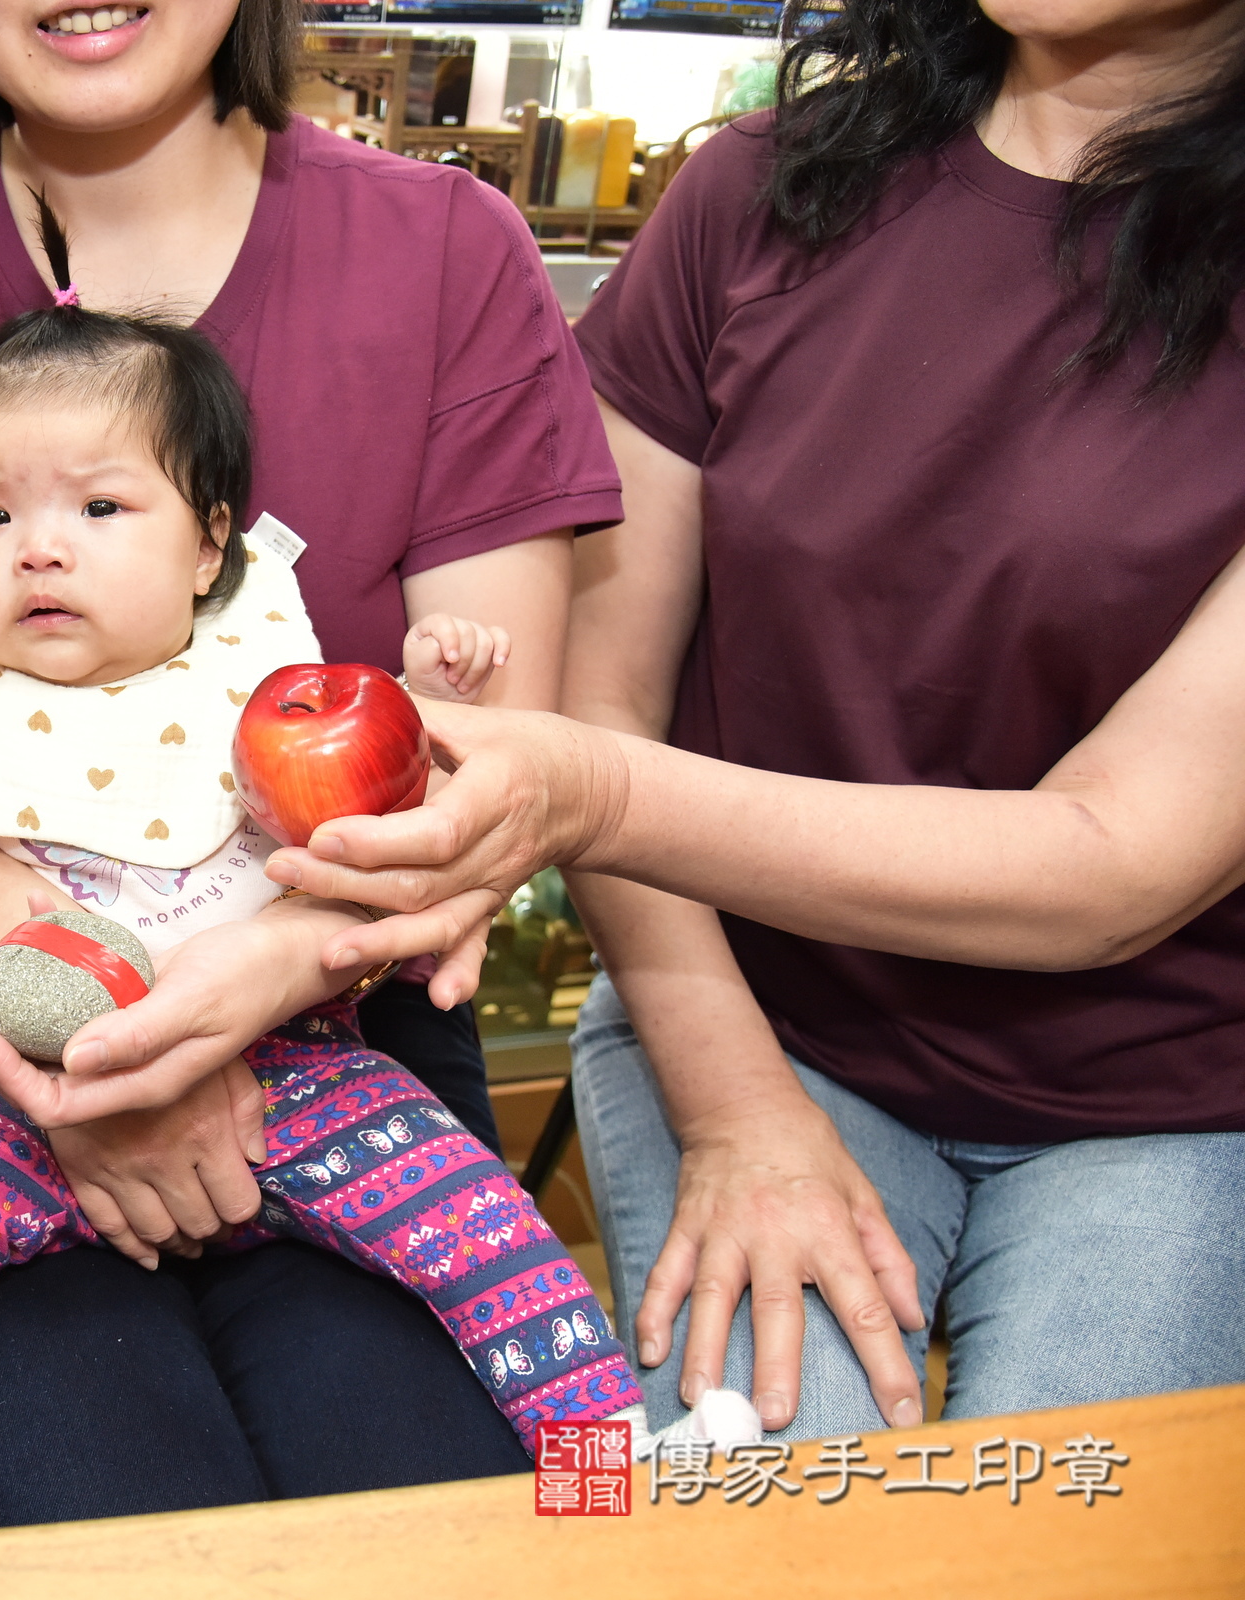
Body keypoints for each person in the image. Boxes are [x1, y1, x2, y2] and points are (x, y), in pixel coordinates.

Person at [253, 0, 1245, 1443]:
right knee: (774, 1522)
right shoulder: (761, 191)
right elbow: (609, 685)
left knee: (1055, 1540)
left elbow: (1121, 858)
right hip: (747, 1018)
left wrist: (593, 794)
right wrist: (732, 1108)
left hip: (1168, 1094)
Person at [0, 0, 619, 1523]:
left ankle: (618, 1449)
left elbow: (470, 787)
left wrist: (229, 999)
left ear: (216, 539)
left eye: (104, 512)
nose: (43, 549)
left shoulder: (448, 246)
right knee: (85, 1513)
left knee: (425, 1509)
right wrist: (68, 1012)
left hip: (338, 1019)